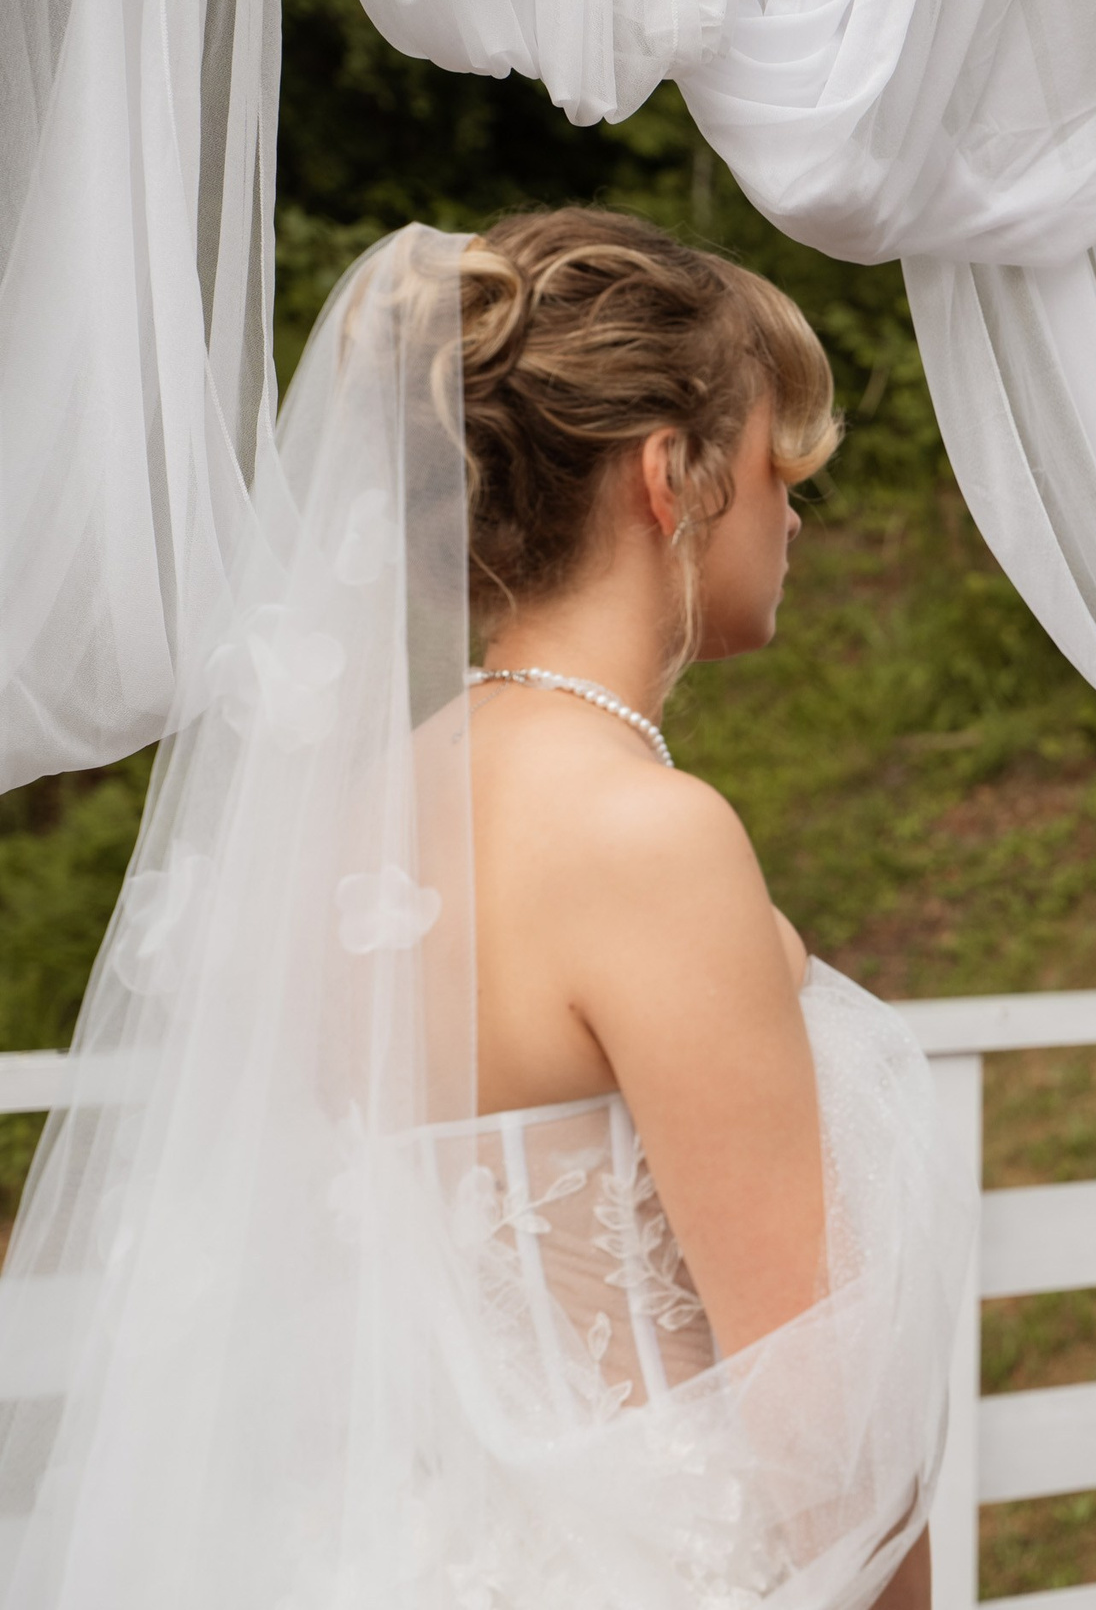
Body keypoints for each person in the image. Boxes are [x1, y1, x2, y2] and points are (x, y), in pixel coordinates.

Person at [0, 214, 960, 1610]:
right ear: (664, 478)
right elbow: (818, 1424)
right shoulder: (647, 837)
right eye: (773, 468)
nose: (793, 516)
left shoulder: (357, 825)